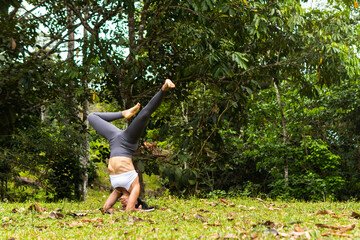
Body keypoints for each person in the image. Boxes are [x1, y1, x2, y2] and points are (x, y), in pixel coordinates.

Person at [88, 79, 175, 211]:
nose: (122, 202)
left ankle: (123, 114)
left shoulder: (118, 190)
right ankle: (164, 89)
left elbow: (105, 208)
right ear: (135, 202)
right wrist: (136, 210)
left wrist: (113, 210)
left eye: (121, 204)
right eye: (126, 203)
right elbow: (128, 212)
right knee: (144, 115)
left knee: (91, 116)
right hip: (128, 142)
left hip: (114, 139)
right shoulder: (135, 187)